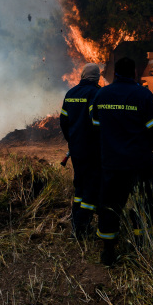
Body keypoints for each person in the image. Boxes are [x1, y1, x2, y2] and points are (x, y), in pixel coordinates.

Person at [90, 56, 153, 266]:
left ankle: (108, 251)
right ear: (134, 73)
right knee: (145, 203)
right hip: (139, 163)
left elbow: (95, 126)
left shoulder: (101, 95)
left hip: (112, 165)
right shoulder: (143, 95)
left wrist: (110, 144)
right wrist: (146, 146)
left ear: (115, 73)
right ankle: (144, 248)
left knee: (109, 206)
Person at [59, 63, 102, 239]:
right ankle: (81, 227)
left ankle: (77, 221)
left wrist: (72, 140)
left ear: (82, 75)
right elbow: (96, 122)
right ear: (97, 77)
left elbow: (63, 121)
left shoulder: (70, 93)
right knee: (91, 187)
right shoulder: (96, 93)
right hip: (92, 150)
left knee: (80, 186)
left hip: (76, 149)